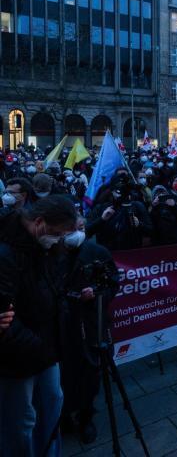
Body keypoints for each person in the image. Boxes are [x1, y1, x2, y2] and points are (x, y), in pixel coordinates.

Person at [0, 195, 79, 456]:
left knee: (53, 404)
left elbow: (54, 289)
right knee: (21, 420)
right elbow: (7, 320)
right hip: (17, 356)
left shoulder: (44, 248)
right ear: (40, 223)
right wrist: (39, 348)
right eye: (57, 234)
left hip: (47, 346)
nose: (58, 240)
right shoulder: (7, 254)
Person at [59, 232, 119, 445]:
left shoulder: (97, 252)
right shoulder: (50, 252)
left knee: (90, 373)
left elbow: (112, 283)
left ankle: (86, 417)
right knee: (63, 374)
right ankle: (63, 416)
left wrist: (95, 292)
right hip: (61, 326)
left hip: (92, 323)